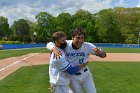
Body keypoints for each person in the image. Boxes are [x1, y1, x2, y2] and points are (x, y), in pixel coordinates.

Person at [47, 27, 106, 93]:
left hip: (86, 75)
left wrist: (100, 53)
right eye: (78, 38)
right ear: (72, 37)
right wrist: (53, 48)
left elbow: (104, 55)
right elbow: (50, 43)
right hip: (72, 77)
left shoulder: (88, 46)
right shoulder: (66, 44)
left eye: (82, 38)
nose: (80, 40)